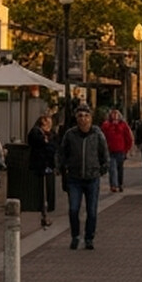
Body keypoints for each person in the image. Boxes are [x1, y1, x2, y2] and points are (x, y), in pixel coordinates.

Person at [56, 104, 110, 250]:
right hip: (75, 178)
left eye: (86, 116)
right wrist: (61, 167)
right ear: (76, 118)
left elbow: (104, 153)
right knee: (74, 209)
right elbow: (62, 153)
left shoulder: (97, 134)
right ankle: (75, 236)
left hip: (92, 178)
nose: (83, 119)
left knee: (92, 210)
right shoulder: (70, 134)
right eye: (80, 116)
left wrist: (103, 168)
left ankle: (89, 237)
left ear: (91, 118)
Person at [26, 113, 58, 228]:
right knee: (41, 190)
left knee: (48, 190)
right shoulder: (36, 133)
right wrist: (45, 142)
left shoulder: (52, 134)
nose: (49, 125)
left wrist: (47, 142)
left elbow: (52, 146)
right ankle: (43, 213)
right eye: (47, 122)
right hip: (40, 164)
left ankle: (46, 212)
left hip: (48, 164)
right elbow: (40, 143)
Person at [101, 107, 134, 194]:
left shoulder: (123, 125)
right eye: (113, 114)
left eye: (116, 114)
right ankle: (113, 185)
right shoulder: (106, 125)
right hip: (110, 151)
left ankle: (120, 184)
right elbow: (103, 137)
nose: (115, 116)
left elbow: (128, 138)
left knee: (120, 169)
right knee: (112, 168)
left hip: (121, 151)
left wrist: (127, 149)